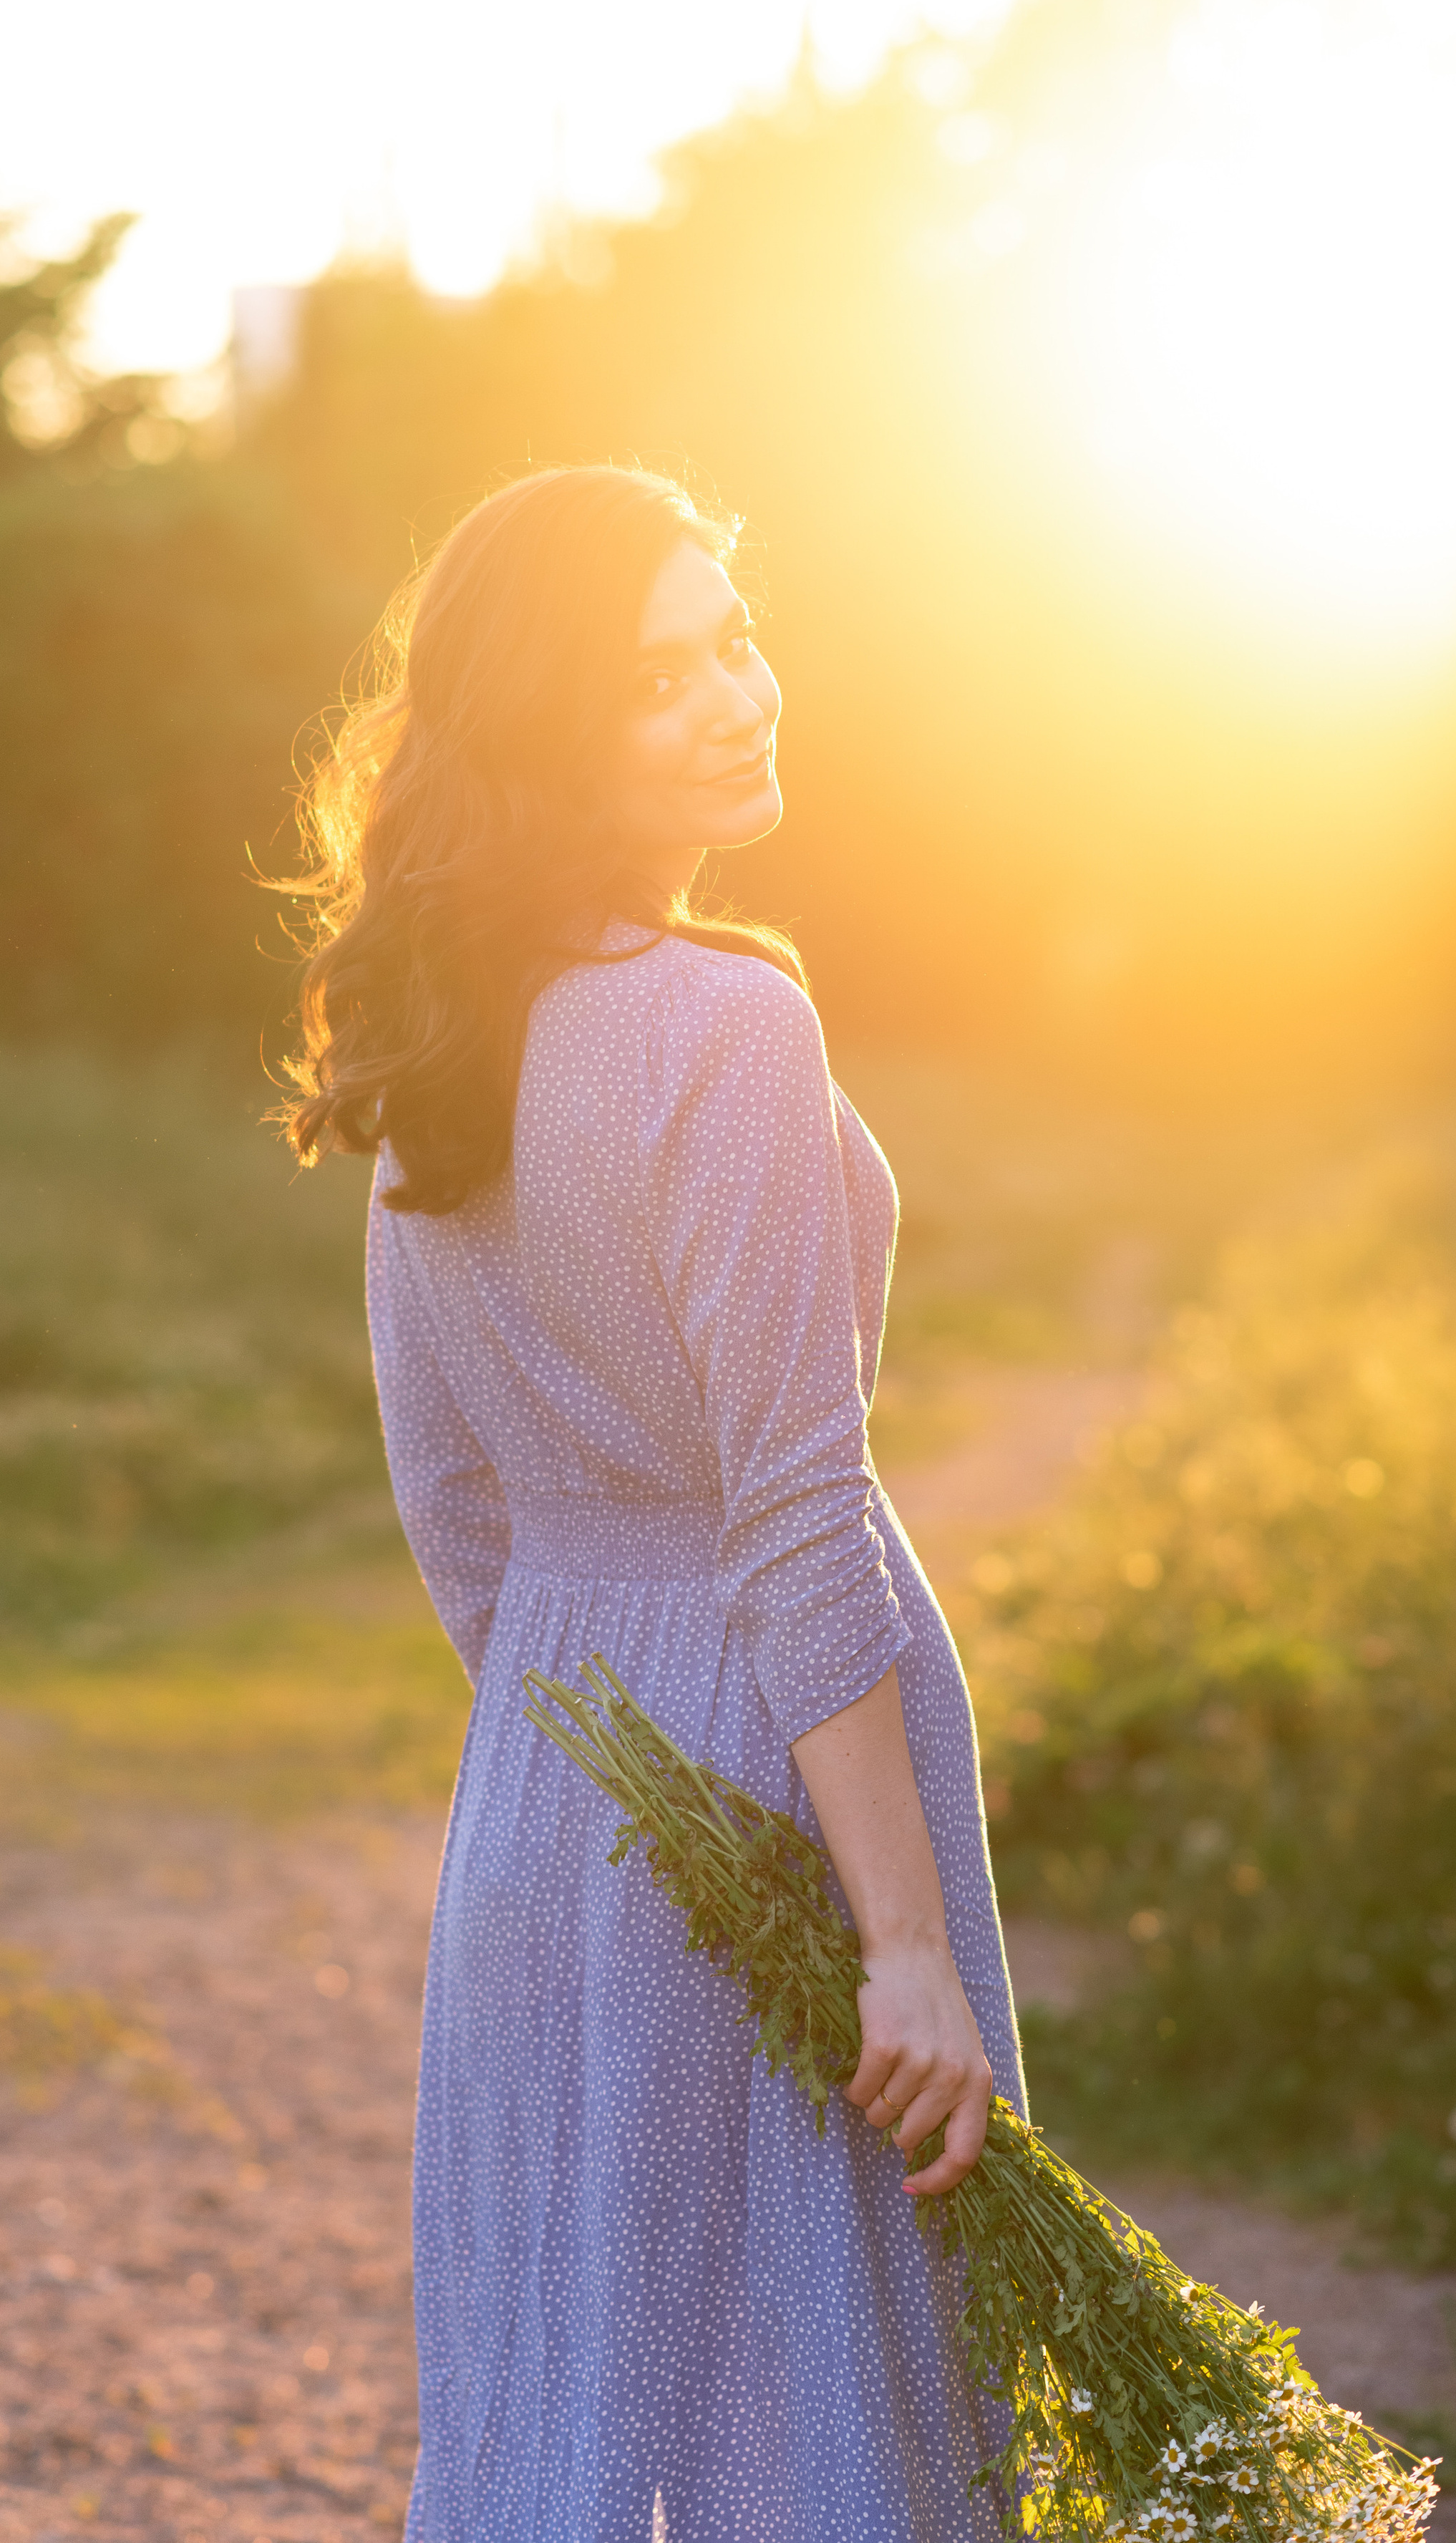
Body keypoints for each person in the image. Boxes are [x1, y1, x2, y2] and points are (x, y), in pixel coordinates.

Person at [284, 465, 1025, 2542]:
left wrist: (594, 1754)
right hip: (770, 1781)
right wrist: (901, 1945)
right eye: (656, 678)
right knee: (813, 2423)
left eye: (735, 641)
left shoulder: (439, 1039)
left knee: (573, 2412)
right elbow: (797, 1514)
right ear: (549, 736)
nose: (737, 697)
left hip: (556, 1787)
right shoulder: (728, 1024)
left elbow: (454, 1502)